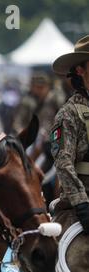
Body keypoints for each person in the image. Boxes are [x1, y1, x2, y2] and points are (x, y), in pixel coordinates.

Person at [50, 35, 89, 234]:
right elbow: (63, 163)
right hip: (81, 204)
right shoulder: (69, 113)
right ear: (80, 70)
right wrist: (82, 205)